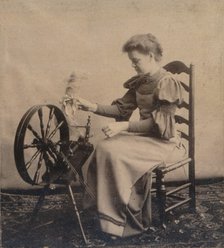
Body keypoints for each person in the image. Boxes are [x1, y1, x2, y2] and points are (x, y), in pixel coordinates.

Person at [66, 33, 186, 238]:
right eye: (132, 62)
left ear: (150, 56)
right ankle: (106, 214)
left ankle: (127, 221)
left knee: (116, 154)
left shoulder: (168, 82)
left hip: (163, 141)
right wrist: (90, 105)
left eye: (136, 61)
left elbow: (159, 127)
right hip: (143, 137)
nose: (133, 66)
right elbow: (121, 110)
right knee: (104, 147)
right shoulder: (140, 82)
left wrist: (124, 128)